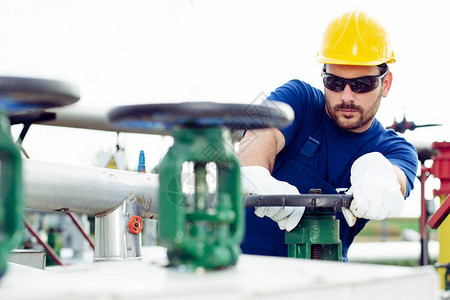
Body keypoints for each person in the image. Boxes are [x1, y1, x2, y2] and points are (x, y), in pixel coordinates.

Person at [239, 10, 418, 261]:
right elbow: (260, 135)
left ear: (385, 84)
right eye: (334, 82)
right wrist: (255, 176)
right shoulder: (299, 100)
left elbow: (397, 180)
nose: (346, 96)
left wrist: (380, 174)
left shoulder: (395, 150)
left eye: (361, 85)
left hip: (326, 281)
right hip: (245, 270)